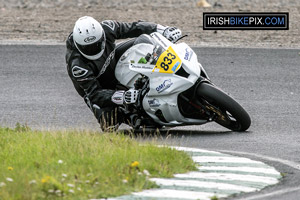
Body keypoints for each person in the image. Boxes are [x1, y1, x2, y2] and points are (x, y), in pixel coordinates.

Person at [65, 16, 182, 130]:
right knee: (109, 123)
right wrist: (122, 96)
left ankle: (171, 70)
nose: (93, 50)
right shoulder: (77, 65)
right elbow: (94, 94)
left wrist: (162, 30)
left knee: (144, 41)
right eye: (88, 48)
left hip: (112, 62)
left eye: (96, 44)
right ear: (78, 45)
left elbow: (133, 27)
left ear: (102, 37)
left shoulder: (107, 28)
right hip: (98, 88)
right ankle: (130, 116)